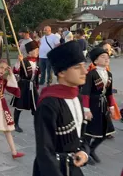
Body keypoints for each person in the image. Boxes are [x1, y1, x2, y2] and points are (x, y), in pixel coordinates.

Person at [33, 41, 89, 176]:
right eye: (77, 67)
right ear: (62, 73)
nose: (84, 71)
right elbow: (44, 150)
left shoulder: (77, 97)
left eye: (84, 66)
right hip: (53, 169)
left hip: (73, 166)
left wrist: (84, 151)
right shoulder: (49, 103)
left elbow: (81, 133)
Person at [82, 47, 116, 165]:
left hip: (104, 106)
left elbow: (109, 93)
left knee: (105, 132)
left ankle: (91, 149)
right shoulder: (91, 74)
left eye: (107, 57)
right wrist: (86, 109)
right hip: (92, 106)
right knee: (89, 133)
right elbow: (85, 93)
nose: (106, 59)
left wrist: (111, 107)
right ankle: (85, 153)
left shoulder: (109, 74)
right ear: (95, 61)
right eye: (103, 57)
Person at [11, 41, 40, 132]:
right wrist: (18, 61)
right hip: (24, 86)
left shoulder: (37, 62)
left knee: (37, 106)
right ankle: (15, 124)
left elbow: (37, 74)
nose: (37, 52)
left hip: (33, 86)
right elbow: (15, 70)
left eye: (37, 50)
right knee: (19, 106)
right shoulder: (24, 61)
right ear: (29, 52)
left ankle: (38, 125)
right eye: (35, 51)